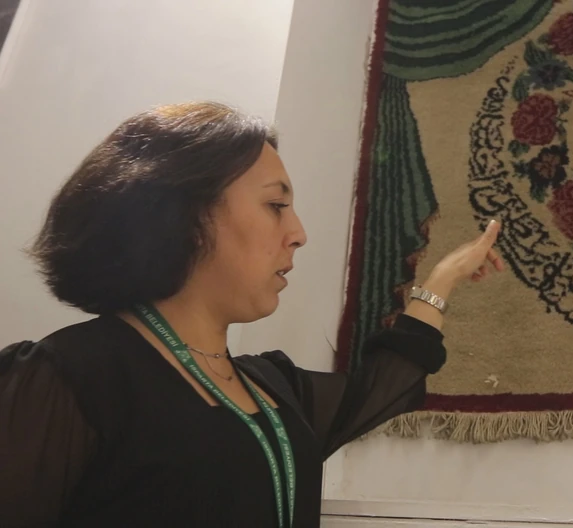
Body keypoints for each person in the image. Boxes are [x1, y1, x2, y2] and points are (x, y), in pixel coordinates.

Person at [0, 102, 505, 527]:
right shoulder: (69, 376)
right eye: (275, 205)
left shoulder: (273, 388)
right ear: (185, 213)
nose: (299, 233)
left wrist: (442, 279)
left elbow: (383, 385)